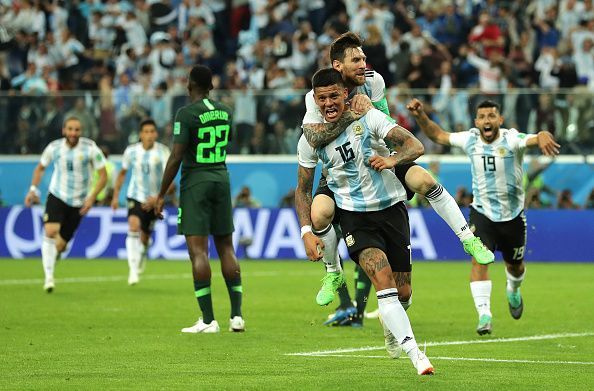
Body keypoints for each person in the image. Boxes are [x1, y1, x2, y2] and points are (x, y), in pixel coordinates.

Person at [301, 32, 493, 326]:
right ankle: (332, 273)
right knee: (321, 214)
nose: (365, 63)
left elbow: (383, 124)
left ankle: (468, 239)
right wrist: (351, 115)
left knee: (425, 181)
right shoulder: (318, 94)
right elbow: (314, 137)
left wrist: (391, 156)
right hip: (340, 171)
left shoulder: (374, 81)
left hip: (379, 158)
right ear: (338, 66)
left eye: (364, 57)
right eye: (357, 59)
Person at [296, 68, 434, 375]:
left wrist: (393, 160)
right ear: (314, 102)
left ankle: (392, 328)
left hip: (391, 209)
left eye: (334, 95)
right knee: (381, 279)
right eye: (322, 99)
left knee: (403, 293)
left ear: (346, 94)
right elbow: (303, 189)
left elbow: (415, 146)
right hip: (355, 218)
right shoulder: (311, 140)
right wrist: (306, 231)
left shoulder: (369, 117)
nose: (329, 103)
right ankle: (416, 355)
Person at [406, 98, 561, 335]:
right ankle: (484, 315)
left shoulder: (510, 139)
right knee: (479, 260)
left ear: (500, 119)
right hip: (482, 213)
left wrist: (542, 134)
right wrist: (420, 116)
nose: (487, 121)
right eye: (482, 117)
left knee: (516, 266)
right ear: (476, 121)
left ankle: (513, 289)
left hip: (513, 217)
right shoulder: (470, 139)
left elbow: (532, 139)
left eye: (491, 116)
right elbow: (438, 135)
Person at [146, 64, 245, 334]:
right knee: (226, 247)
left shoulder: (186, 114)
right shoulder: (226, 112)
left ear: (190, 85)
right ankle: (236, 317)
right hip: (221, 179)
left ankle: (208, 320)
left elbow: (176, 155)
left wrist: (160, 194)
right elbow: (229, 141)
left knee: (198, 251)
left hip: (196, 183)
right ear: (211, 86)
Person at [24, 116, 107, 293]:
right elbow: (40, 168)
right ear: (64, 130)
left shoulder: (90, 148)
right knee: (50, 231)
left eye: (76, 130)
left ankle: (57, 254)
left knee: (60, 245)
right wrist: (33, 189)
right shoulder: (54, 148)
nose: (73, 133)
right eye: (70, 129)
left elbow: (103, 175)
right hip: (57, 195)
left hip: (79, 202)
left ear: (81, 131)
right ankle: (49, 278)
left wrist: (92, 197)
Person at [111, 119, 171, 285]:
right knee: (133, 226)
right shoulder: (131, 151)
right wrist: (115, 196)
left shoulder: (163, 152)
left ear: (156, 134)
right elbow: (122, 174)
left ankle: (143, 251)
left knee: (144, 238)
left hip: (153, 200)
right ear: (140, 134)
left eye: (152, 131)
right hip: (135, 196)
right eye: (146, 132)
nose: (149, 135)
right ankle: (133, 270)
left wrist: (159, 198)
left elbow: (170, 178)